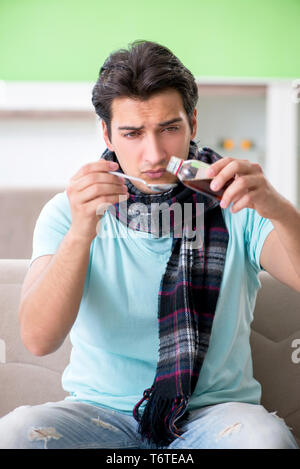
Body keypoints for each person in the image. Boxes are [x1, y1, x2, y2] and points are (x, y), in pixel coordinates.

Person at [0, 40, 299, 450]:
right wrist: (83, 230)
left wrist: (279, 208)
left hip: (216, 417)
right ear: (106, 132)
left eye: (169, 128)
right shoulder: (67, 211)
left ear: (193, 122)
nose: (153, 154)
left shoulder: (238, 203)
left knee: (266, 440)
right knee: (16, 434)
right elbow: (38, 339)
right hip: (98, 415)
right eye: (133, 133)